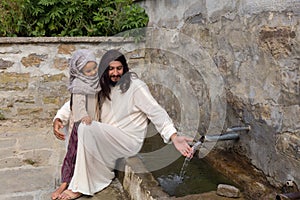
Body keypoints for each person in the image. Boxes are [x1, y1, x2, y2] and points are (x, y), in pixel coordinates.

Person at [52, 49, 193, 199]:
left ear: (124, 68)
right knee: (78, 123)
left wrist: (173, 136)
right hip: (107, 135)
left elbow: (156, 111)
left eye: (119, 68)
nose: (115, 73)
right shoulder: (101, 83)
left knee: (87, 127)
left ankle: (80, 187)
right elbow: (77, 101)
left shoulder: (136, 86)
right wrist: (60, 118)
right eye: (111, 69)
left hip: (128, 140)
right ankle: (73, 174)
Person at [51, 49, 100, 200]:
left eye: (94, 68)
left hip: (93, 127)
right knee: (74, 155)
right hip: (81, 126)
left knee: (84, 157)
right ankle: (67, 183)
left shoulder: (97, 82)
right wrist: (60, 118)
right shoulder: (79, 84)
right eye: (88, 70)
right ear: (79, 71)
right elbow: (75, 105)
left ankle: (76, 184)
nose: (92, 73)